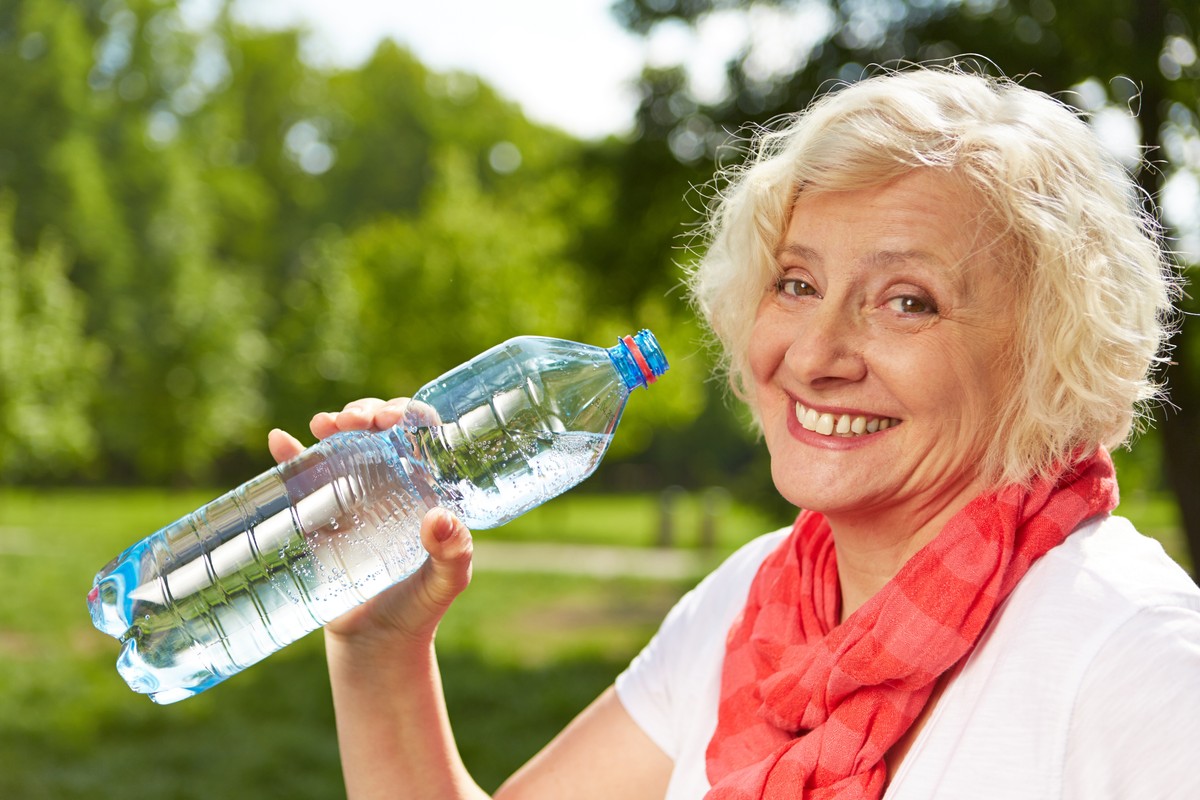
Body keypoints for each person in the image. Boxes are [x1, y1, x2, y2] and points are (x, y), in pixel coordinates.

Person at [267, 65, 1200, 799]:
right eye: (796, 283)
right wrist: (381, 652)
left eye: (907, 301)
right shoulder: (749, 604)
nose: (817, 351)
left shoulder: (1137, 660)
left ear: (1049, 356)